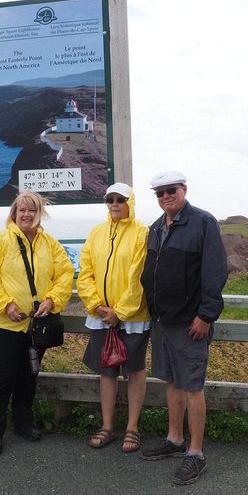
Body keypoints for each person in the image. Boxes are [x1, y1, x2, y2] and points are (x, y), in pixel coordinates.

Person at [140, 171, 228, 484]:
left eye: (170, 191)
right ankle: (175, 439)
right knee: (172, 381)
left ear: (183, 190)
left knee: (192, 386)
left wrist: (206, 315)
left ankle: (196, 454)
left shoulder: (203, 222)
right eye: (159, 193)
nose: (165, 197)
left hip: (190, 323)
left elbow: (215, 272)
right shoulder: (155, 227)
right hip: (163, 320)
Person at [0, 191, 73, 455]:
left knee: (29, 376)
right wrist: (6, 304)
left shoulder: (49, 244)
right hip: (5, 326)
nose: (27, 214)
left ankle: (23, 422)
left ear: (39, 213)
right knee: (3, 379)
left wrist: (53, 300)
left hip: (36, 326)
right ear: (14, 213)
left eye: (32, 210)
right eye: (22, 209)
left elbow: (64, 273)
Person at [77, 183, 151, 453]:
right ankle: (107, 425)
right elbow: (85, 272)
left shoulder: (142, 233)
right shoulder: (96, 233)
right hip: (101, 316)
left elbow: (139, 277)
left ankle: (132, 427)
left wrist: (119, 311)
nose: (115, 204)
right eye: (110, 199)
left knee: (134, 369)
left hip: (132, 317)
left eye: (120, 199)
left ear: (130, 201)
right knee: (106, 370)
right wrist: (97, 305)